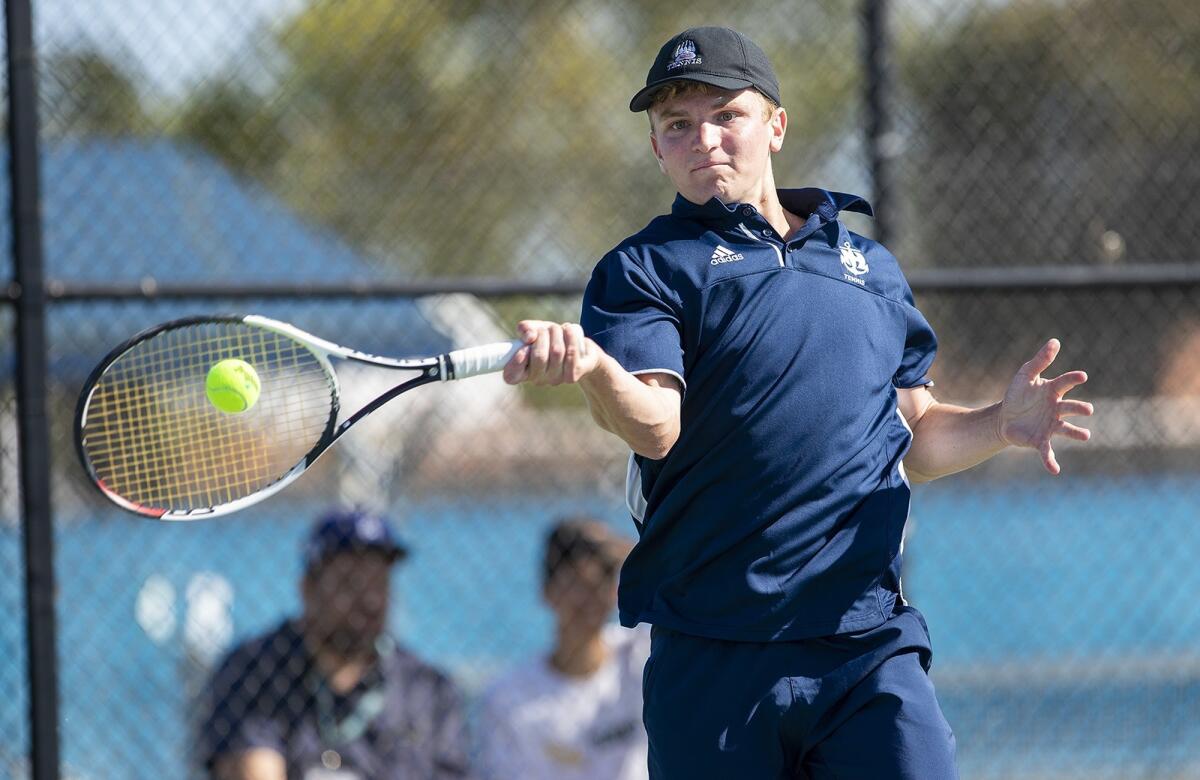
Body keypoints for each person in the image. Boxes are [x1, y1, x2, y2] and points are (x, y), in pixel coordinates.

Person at [501, 26, 1094, 779]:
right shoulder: (643, 268)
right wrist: (593, 368)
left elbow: (913, 433)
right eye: (677, 126)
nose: (703, 140)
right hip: (713, 653)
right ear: (657, 148)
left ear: (776, 125)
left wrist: (998, 426)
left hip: (867, 642)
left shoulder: (870, 268)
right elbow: (654, 427)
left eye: (727, 116)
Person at [198, 508, 471, 780]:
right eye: (350, 584)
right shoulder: (255, 671)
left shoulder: (427, 690)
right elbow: (251, 768)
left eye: (379, 585)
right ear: (308, 590)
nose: (370, 601)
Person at [477, 517, 649, 780]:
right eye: (574, 584)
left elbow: (675, 578)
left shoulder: (639, 656)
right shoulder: (509, 699)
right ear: (547, 592)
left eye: (598, 583)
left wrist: (621, 549)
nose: (587, 598)